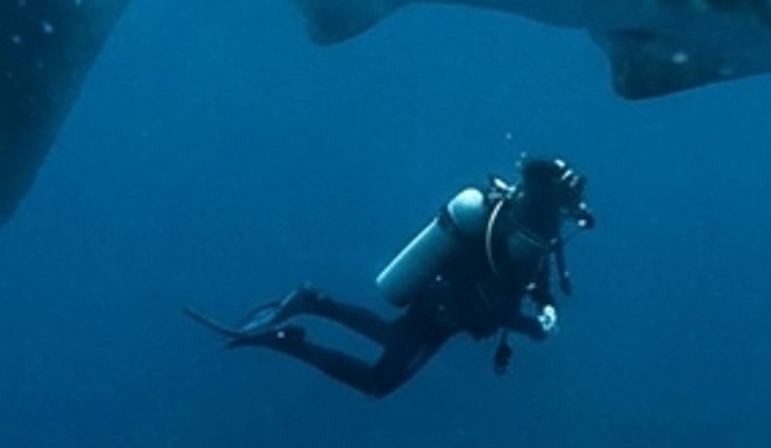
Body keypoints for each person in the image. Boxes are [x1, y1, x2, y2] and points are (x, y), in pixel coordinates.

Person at [188, 156, 592, 397]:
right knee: (378, 382)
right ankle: (286, 341)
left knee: (389, 336)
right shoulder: (514, 232)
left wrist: (547, 305)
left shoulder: (530, 229)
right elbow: (493, 299)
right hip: (444, 308)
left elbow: (531, 277)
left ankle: (315, 303)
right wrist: (530, 326)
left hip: (442, 308)